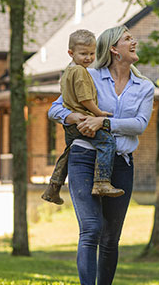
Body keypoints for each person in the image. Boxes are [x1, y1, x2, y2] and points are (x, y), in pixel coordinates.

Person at [48, 25, 155, 285]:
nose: (134, 41)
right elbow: (54, 109)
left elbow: (139, 124)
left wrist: (103, 123)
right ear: (114, 49)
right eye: (127, 38)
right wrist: (74, 116)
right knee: (91, 228)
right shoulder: (88, 75)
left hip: (121, 163)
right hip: (85, 159)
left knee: (110, 237)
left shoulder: (144, 86)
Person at [43, 29, 124, 205]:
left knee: (68, 151)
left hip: (71, 126)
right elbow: (85, 99)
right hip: (83, 121)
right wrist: (99, 113)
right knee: (107, 142)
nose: (88, 58)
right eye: (83, 54)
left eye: (91, 54)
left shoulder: (68, 71)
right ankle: (102, 181)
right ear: (71, 53)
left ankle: (53, 187)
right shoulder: (80, 72)